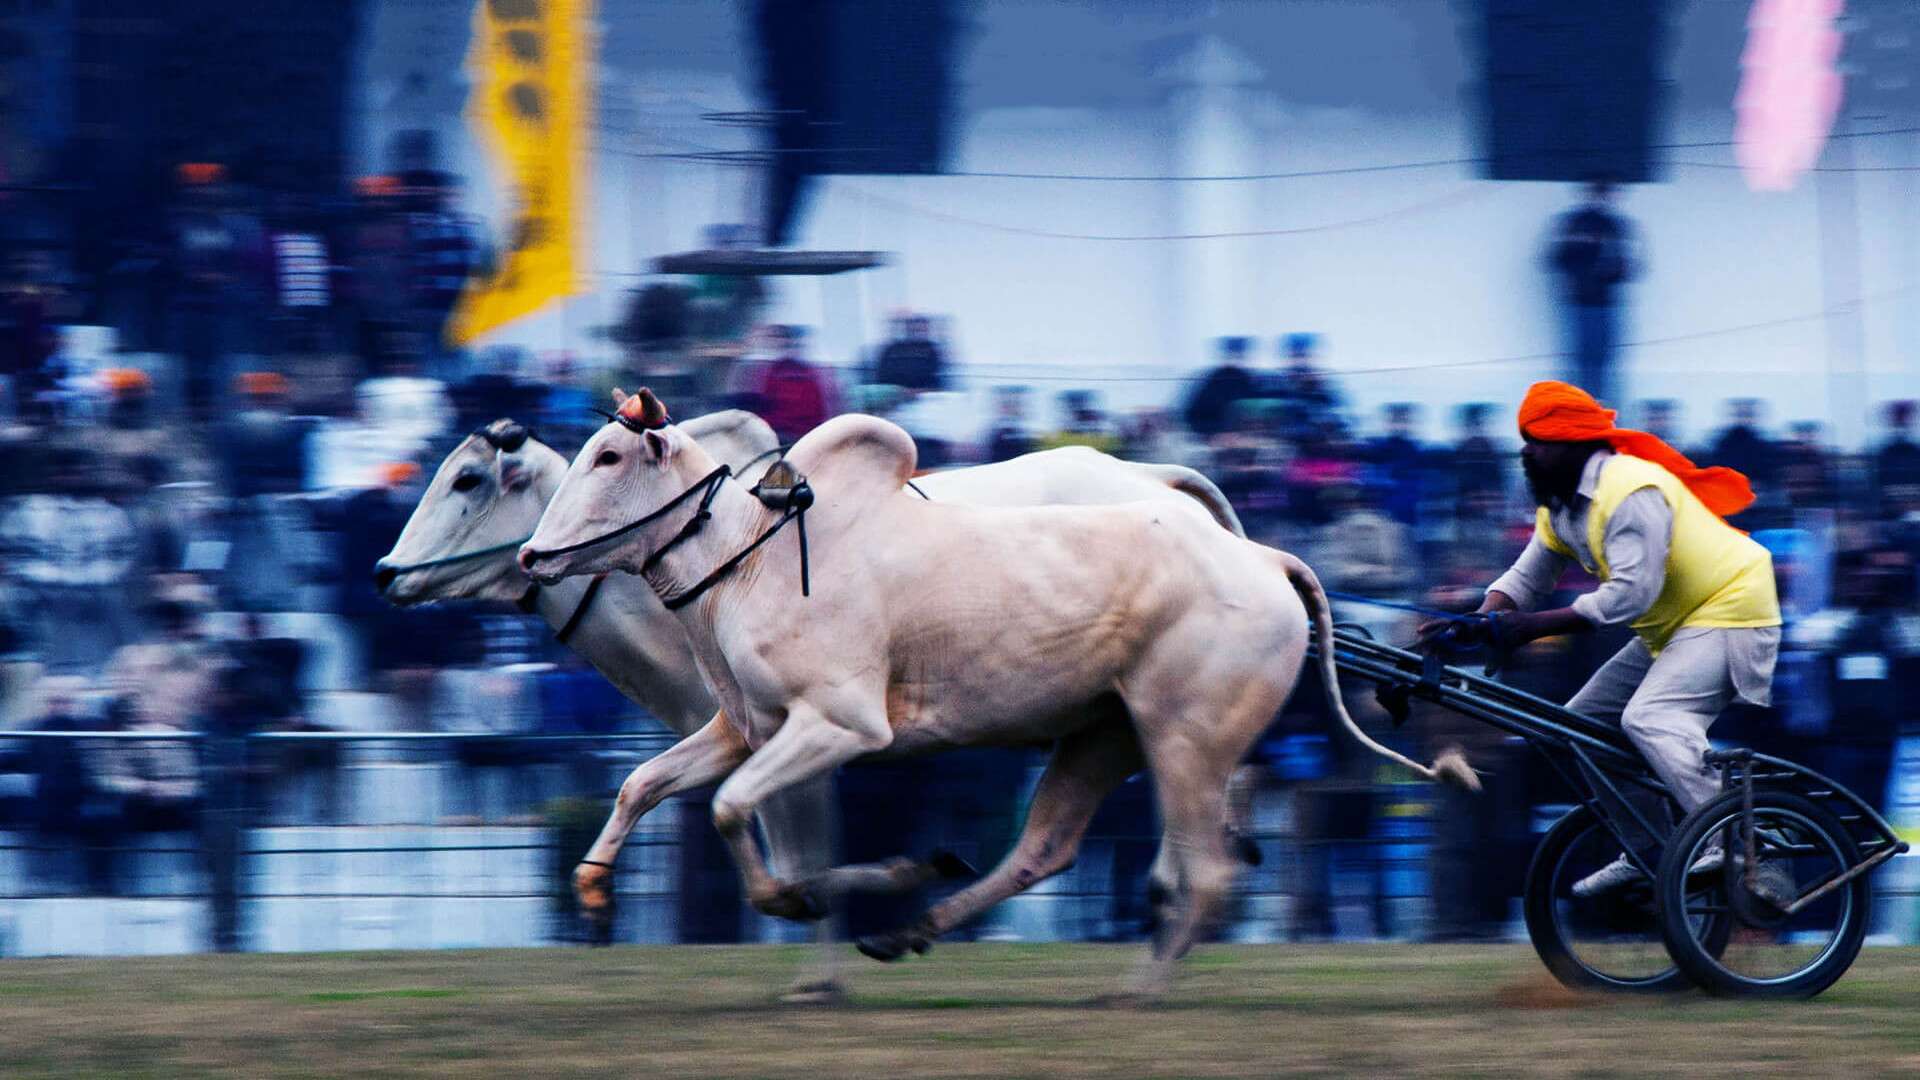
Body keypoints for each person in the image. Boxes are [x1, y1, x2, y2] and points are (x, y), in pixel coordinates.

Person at [1424, 381, 1781, 897]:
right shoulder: (1561, 507)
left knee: (1649, 718)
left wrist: (1530, 627)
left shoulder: (1631, 491)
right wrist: (1474, 622)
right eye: (1525, 440)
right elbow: (1526, 579)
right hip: (1673, 626)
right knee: (1580, 727)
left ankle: (1737, 843)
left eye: (1538, 441)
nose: (1526, 452)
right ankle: (1650, 850)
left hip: (1732, 612)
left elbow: (1631, 595)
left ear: (1575, 443)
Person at [1547, 178, 1638, 405]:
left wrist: (1616, 269)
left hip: (1607, 300)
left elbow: (1630, 265)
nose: (1603, 198)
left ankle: (1601, 408)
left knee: (1606, 358)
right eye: (1599, 192)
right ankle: (1579, 407)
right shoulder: (1574, 223)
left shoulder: (1617, 225)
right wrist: (1584, 253)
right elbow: (1557, 258)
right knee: (1582, 358)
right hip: (1581, 300)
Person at [1182, 336, 1261, 441]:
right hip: (1214, 439)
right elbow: (1193, 416)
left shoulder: (1250, 381)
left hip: (1245, 440)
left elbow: (1257, 416)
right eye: (1232, 355)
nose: (1236, 361)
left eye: (1239, 356)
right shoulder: (1212, 382)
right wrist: (1216, 434)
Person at [870, 313, 948, 393]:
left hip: (923, 396)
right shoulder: (891, 349)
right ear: (908, 328)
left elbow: (936, 381)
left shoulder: (931, 349)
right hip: (892, 394)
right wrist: (898, 391)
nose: (918, 332)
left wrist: (917, 392)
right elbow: (881, 377)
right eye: (916, 328)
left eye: (922, 329)